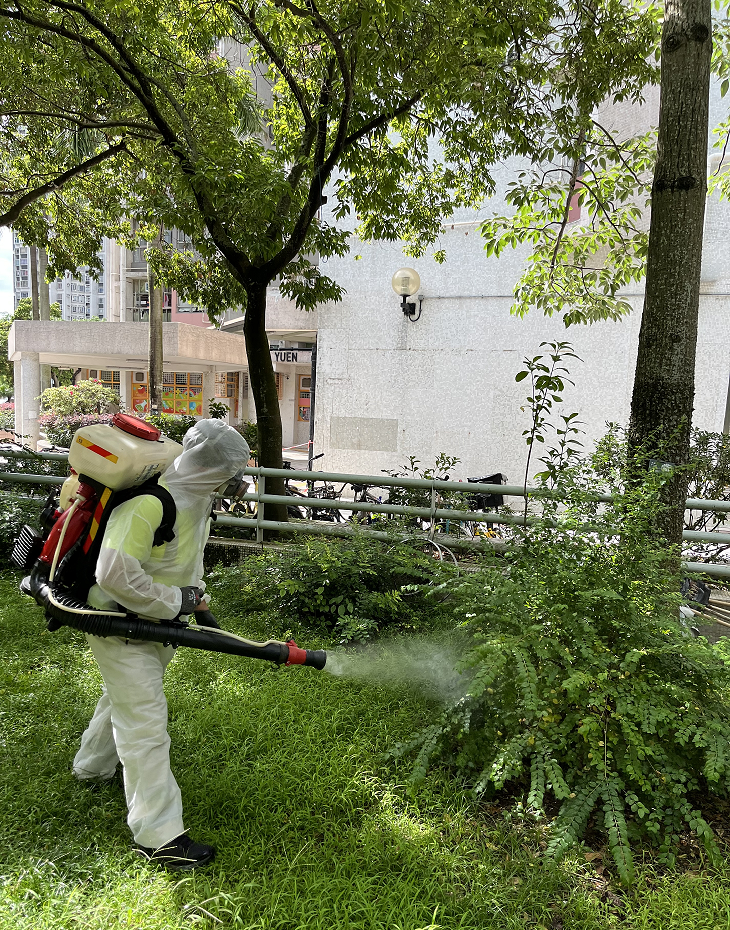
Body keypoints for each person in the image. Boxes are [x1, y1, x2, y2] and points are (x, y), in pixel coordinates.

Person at [72, 418, 250, 870]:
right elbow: (112, 575)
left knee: (126, 698)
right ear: (210, 468)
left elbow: (184, 561)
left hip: (157, 623)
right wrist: (176, 600)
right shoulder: (152, 504)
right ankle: (159, 836)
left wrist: (196, 601)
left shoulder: (197, 501)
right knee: (145, 725)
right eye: (231, 475)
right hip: (120, 624)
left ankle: (91, 767)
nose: (236, 486)